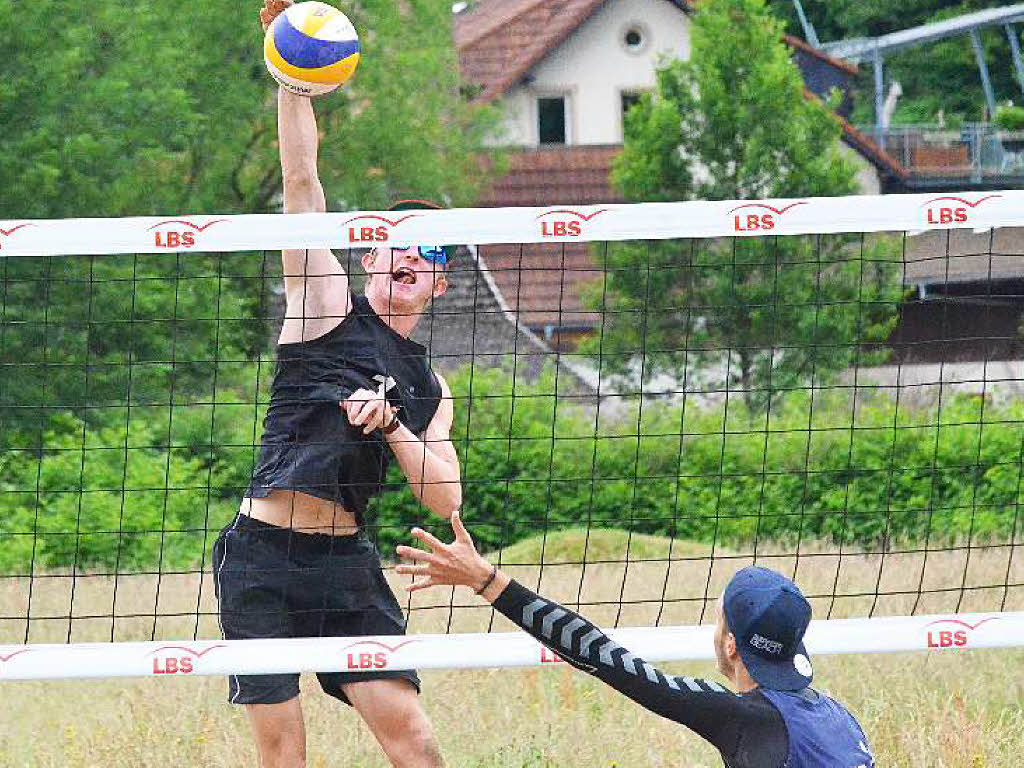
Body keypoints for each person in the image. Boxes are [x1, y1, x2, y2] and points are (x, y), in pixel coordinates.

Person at [211, 3, 460, 766]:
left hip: (345, 565)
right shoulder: (322, 304)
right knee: (284, 755)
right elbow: (301, 183)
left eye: (429, 250)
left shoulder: (431, 386)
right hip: (261, 554)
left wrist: (392, 426)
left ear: (441, 284)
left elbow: (445, 495)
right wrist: (293, 81)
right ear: (367, 257)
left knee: (414, 740)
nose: (407, 254)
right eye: (393, 242)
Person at [396, 512, 877, 768]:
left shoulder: (742, 718)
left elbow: (599, 656)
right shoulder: (841, 719)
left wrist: (487, 580)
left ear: (731, 645)